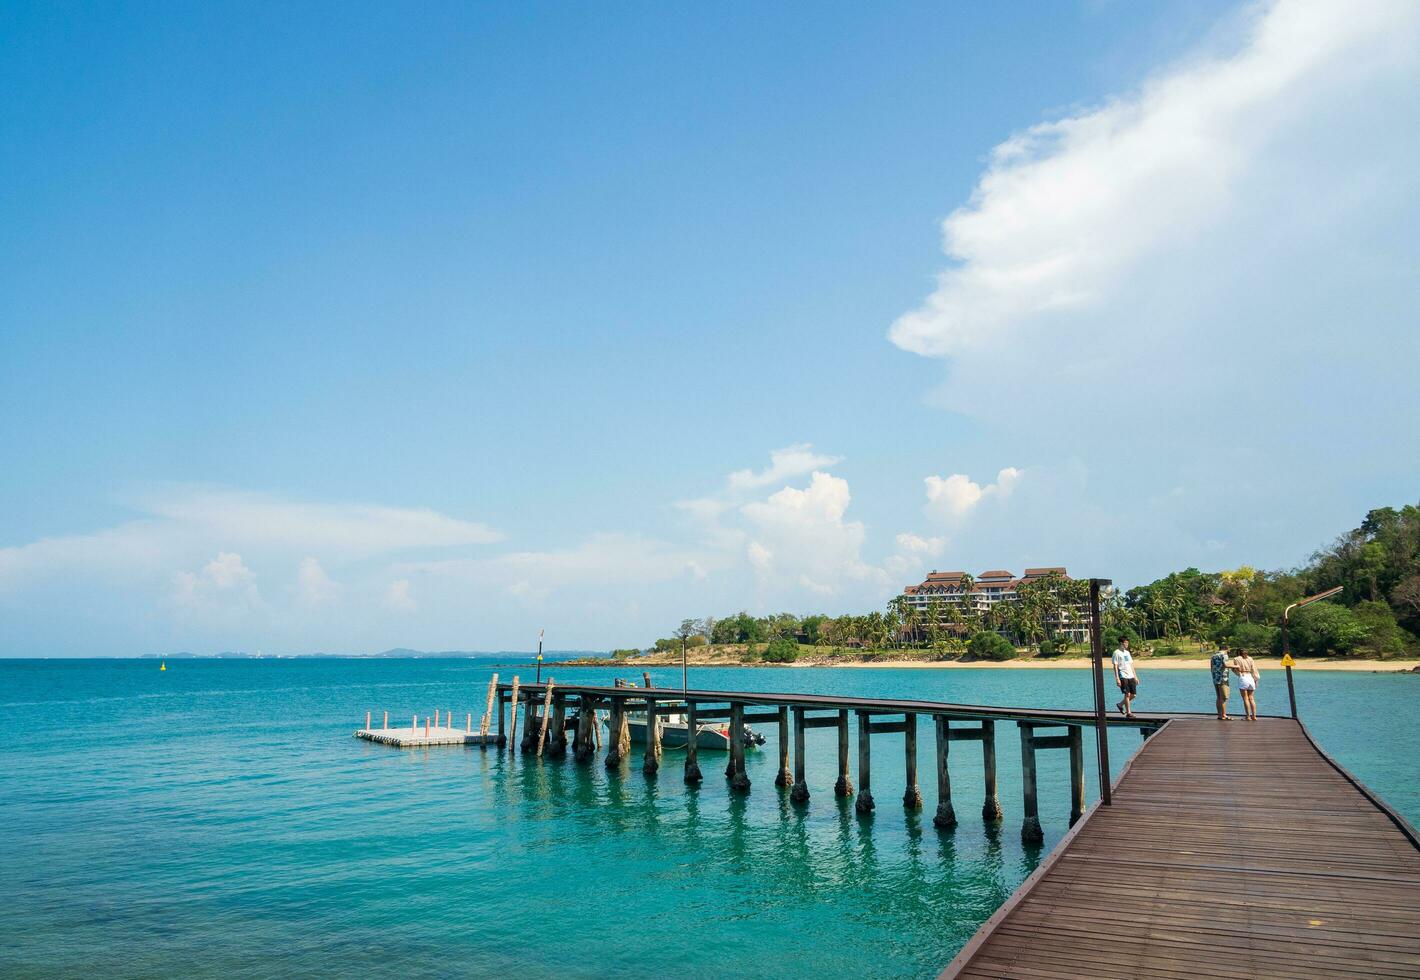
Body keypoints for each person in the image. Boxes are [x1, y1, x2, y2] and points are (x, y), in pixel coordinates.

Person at [1111, 638, 1138, 717]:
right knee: (1127, 694)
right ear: (1121, 643)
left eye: (1127, 643)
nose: (1127, 645)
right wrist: (1117, 678)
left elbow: (1131, 665)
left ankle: (1120, 704)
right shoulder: (1116, 653)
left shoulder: (1127, 653)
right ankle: (1129, 713)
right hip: (1123, 675)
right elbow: (1115, 666)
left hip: (1131, 675)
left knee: (1133, 695)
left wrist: (1135, 676)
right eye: (1125, 643)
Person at [1232, 649, 1260, 721]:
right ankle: (1254, 716)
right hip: (1250, 677)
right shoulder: (1250, 659)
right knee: (1251, 698)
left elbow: (1235, 669)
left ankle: (1248, 716)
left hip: (1243, 676)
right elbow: (1254, 669)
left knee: (1245, 698)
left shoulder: (1236, 659)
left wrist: (1238, 674)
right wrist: (1256, 679)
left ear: (1239, 653)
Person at [1209, 645, 1233, 721]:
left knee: (1218, 697)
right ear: (1226, 649)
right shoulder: (1224, 655)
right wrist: (1237, 666)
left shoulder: (1213, 656)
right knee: (1224, 697)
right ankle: (1224, 715)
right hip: (1223, 678)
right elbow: (1226, 665)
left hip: (1215, 678)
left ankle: (1219, 714)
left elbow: (1211, 668)